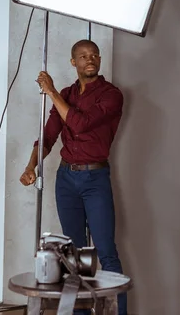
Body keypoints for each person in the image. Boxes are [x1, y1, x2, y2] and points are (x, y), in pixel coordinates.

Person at [19, 39, 127, 315]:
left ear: (100, 60)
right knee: (74, 255)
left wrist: (51, 91)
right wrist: (31, 166)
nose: (89, 60)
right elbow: (48, 137)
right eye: (82, 56)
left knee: (106, 252)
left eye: (94, 55)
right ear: (73, 62)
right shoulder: (66, 93)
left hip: (95, 179)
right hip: (66, 179)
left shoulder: (111, 94)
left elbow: (80, 123)